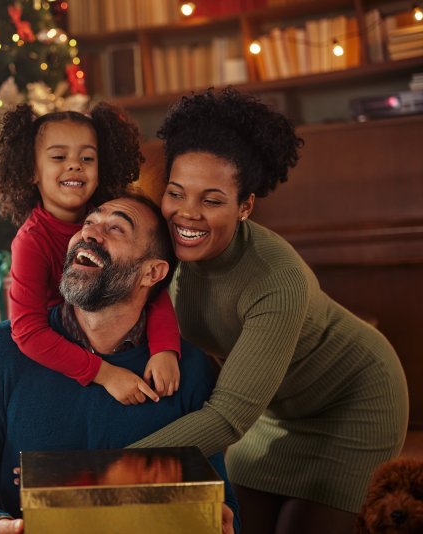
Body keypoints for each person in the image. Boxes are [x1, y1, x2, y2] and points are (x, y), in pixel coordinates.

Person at [128, 88, 409, 534]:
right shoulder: (164, 250)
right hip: (268, 411)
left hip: (350, 402)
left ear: (245, 207)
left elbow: (227, 417)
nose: (188, 214)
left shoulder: (277, 279)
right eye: (177, 193)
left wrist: (112, 464)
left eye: (212, 200)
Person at [0, 193, 239, 534]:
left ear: (151, 272)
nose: (89, 233)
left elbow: (218, 496)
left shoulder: (187, 368)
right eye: (89, 222)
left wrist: (220, 520)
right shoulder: (0, 351)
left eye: (117, 228)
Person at [0, 103, 181, 405]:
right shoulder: (30, 241)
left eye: (87, 157)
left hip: (115, 340)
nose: (75, 165)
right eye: (59, 157)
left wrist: (165, 348)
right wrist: (105, 374)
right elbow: (28, 331)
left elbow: (150, 285)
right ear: (31, 170)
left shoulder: (114, 215)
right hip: (64, 354)